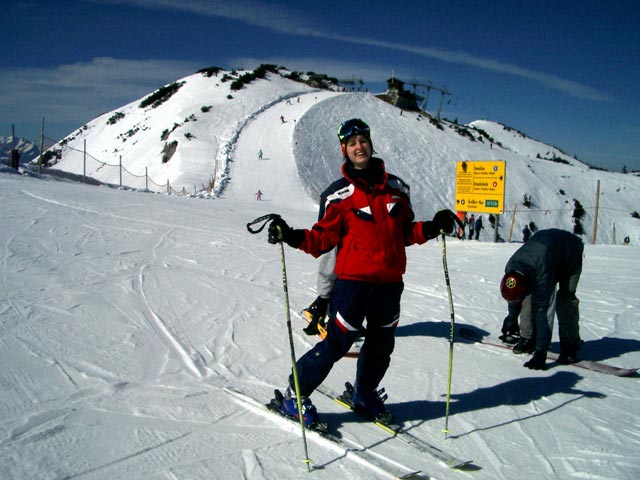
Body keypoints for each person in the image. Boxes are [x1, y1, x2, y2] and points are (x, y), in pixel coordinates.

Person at [266, 118, 461, 425]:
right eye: (352, 143)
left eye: (363, 140)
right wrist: (289, 234)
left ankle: (364, 393)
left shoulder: (397, 189)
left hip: (389, 284)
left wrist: (434, 227)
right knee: (339, 342)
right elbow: (321, 240)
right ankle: (296, 394)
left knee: (382, 343)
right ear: (344, 150)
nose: (359, 147)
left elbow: (405, 233)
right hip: (353, 284)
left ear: (371, 143)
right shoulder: (338, 195)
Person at [499, 228, 584, 370]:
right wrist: (511, 319)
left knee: (565, 300)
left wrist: (541, 352)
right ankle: (528, 338)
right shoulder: (511, 268)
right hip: (546, 251)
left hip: (570, 252)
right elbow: (516, 297)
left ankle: (570, 346)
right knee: (528, 296)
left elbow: (544, 312)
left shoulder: (543, 274)